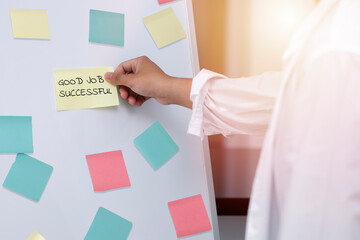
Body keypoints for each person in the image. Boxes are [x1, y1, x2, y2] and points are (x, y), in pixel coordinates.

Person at [105, 0, 360, 239]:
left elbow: (325, 207)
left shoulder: (340, 43)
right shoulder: (336, 32)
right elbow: (282, 99)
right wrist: (170, 87)